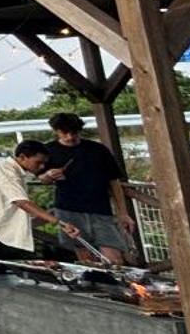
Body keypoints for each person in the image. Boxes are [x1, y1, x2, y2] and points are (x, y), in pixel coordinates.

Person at [0, 139, 76, 273]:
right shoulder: (6, 170)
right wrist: (58, 222)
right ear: (22, 157)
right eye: (38, 162)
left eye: (44, 163)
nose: (41, 167)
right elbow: (21, 201)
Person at [40, 112, 135, 263]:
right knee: (85, 256)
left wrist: (122, 212)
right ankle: (95, 284)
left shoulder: (98, 149)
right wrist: (49, 176)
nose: (70, 137)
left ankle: (119, 282)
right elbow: (41, 178)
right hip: (69, 209)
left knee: (114, 256)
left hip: (101, 208)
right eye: (65, 133)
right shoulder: (48, 151)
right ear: (56, 131)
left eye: (74, 132)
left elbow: (114, 181)